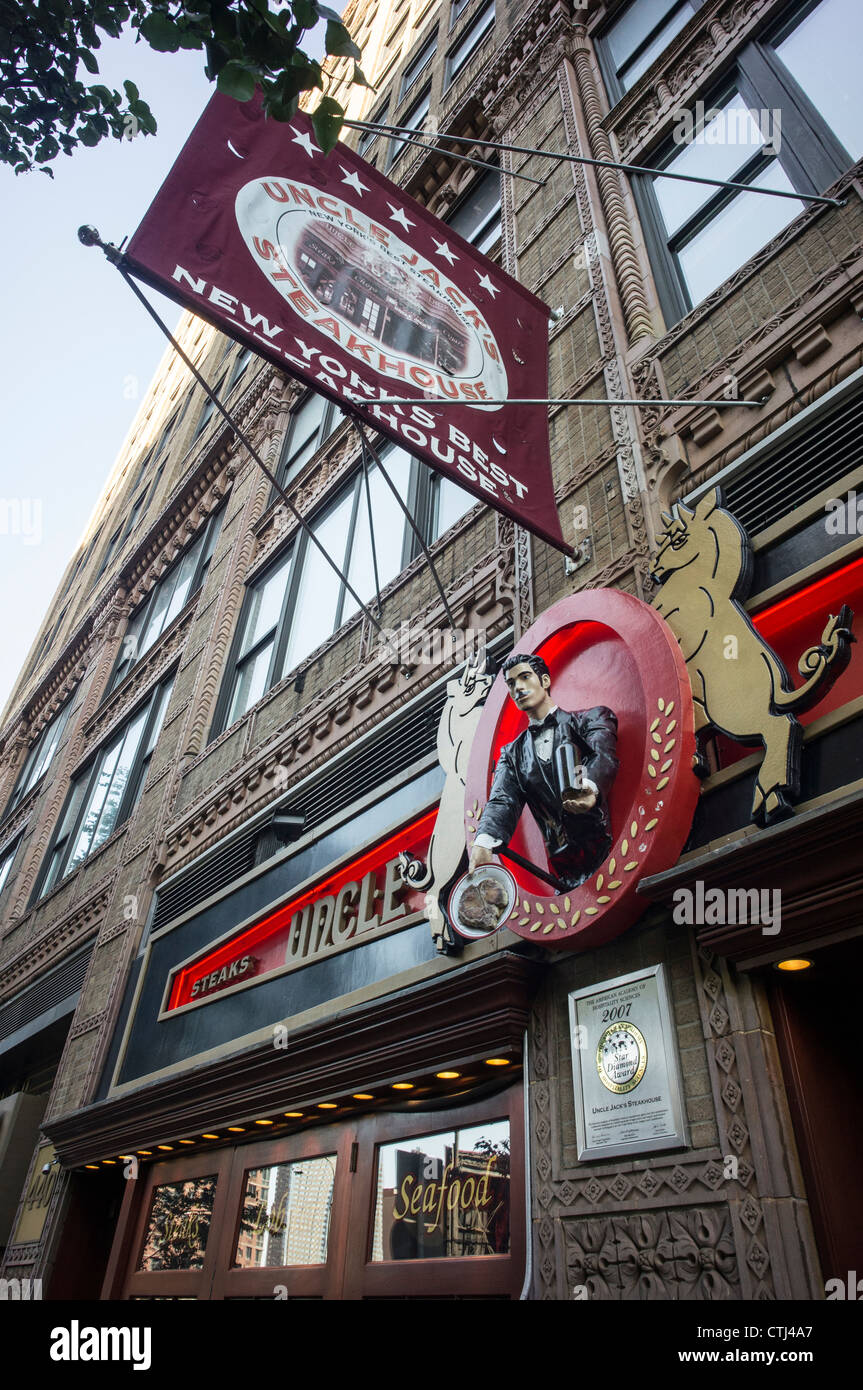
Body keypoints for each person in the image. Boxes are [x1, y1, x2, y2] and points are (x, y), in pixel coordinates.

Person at [468, 653, 618, 890]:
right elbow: (502, 801)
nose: (518, 687)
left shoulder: (590, 719)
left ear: (545, 681)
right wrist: (483, 842)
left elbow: (603, 755)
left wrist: (589, 789)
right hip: (562, 877)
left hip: (610, 856)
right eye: (511, 683)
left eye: (525, 677)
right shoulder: (511, 754)